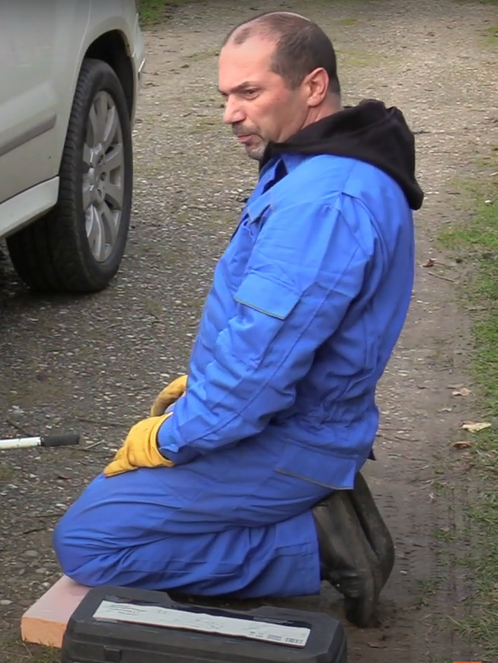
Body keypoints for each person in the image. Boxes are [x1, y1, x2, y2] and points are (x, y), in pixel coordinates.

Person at [52, 11, 422, 628]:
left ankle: (314, 544)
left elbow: (258, 371)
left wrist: (171, 439)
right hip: (286, 423)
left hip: (287, 440)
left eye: (249, 93)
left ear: (312, 86)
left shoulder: (323, 203)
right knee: (114, 506)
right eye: (226, 95)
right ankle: (309, 512)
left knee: (90, 541)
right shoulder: (314, 161)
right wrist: (199, 389)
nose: (230, 113)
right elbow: (269, 334)